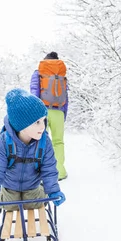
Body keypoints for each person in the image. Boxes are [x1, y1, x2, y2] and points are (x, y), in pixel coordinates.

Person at [0, 88, 66, 214]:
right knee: (11, 205)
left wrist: (53, 190)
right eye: (37, 122)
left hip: (32, 186)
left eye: (44, 120)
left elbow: (49, 168)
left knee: (32, 204)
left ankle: (41, 192)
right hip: (10, 187)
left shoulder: (44, 142)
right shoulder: (4, 142)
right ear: (21, 126)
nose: (43, 126)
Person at [30, 51, 68, 181]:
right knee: (58, 142)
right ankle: (60, 172)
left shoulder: (39, 72)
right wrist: (63, 114)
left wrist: (35, 115)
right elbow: (66, 98)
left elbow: (34, 92)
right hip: (59, 111)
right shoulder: (61, 75)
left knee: (40, 141)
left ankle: (41, 173)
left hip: (42, 112)